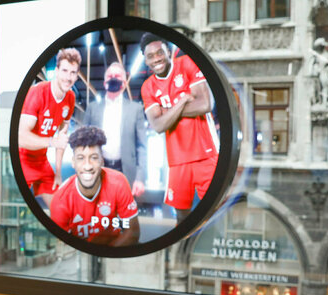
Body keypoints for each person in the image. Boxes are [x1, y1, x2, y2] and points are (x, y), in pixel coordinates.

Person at [139, 33, 218, 223]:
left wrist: (168, 113)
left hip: (206, 154)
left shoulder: (188, 64)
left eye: (160, 52)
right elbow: (157, 125)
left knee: (216, 210)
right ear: (145, 60)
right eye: (150, 56)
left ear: (169, 52)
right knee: (182, 216)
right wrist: (182, 100)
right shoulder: (147, 87)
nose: (156, 58)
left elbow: (205, 104)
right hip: (177, 160)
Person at [50, 126, 140, 246]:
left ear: (102, 161)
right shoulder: (60, 201)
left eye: (94, 158)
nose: (88, 166)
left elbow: (133, 232)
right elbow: (63, 247)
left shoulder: (118, 182)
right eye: (81, 158)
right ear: (73, 162)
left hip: (114, 248)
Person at [18, 48, 81, 207]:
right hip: (22, 159)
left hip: (41, 161)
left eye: (73, 72)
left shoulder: (71, 98)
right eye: (65, 70)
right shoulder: (37, 92)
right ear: (57, 71)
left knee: (59, 210)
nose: (68, 77)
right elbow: (21, 137)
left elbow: (62, 136)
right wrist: (52, 142)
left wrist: (58, 172)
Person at [82, 62, 148, 197]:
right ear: (105, 81)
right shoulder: (92, 108)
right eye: (110, 76)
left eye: (117, 76)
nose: (113, 78)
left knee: (125, 215)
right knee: (97, 212)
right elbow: (83, 142)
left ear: (124, 82)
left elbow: (142, 146)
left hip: (126, 171)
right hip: (98, 169)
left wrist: (140, 178)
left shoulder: (135, 109)